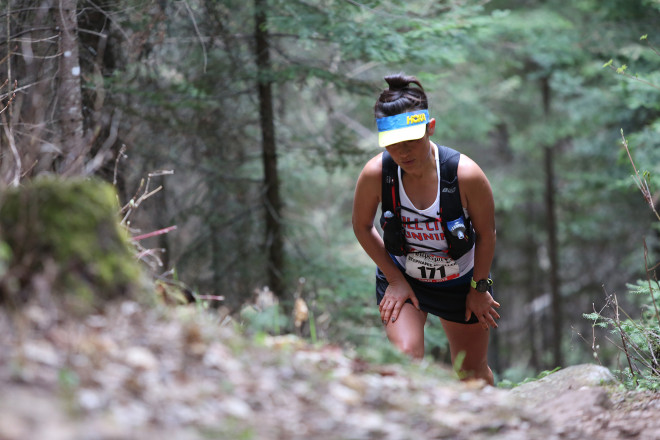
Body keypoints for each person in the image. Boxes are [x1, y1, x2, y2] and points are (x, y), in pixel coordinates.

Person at [352, 73, 500, 385]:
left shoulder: (466, 175)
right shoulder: (377, 174)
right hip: (403, 277)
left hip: (460, 283)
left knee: (471, 374)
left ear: (429, 128)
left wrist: (479, 289)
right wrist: (394, 280)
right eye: (393, 145)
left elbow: (487, 235)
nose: (403, 152)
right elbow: (362, 226)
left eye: (411, 141)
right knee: (406, 357)